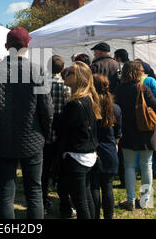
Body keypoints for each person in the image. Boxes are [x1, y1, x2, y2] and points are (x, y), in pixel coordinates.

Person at [0, 27, 53, 219]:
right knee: (34, 191)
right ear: (27, 46)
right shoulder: (37, 70)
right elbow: (46, 109)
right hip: (32, 137)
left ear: (6, 46)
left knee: (6, 191)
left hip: (4, 137)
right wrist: (46, 132)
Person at [115, 61, 156, 211]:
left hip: (126, 132)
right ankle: (145, 200)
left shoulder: (119, 89)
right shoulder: (143, 88)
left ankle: (130, 201)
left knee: (129, 166)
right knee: (146, 165)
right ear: (138, 73)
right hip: (146, 132)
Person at [59, 61, 101, 219]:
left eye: (70, 72)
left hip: (77, 155)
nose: (66, 75)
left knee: (80, 201)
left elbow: (64, 127)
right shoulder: (88, 98)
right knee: (86, 196)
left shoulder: (75, 103)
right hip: (88, 154)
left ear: (79, 78)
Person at [44, 55, 73, 218]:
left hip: (45, 134)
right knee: (62, 173)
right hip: (62, 135)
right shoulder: (66, 87)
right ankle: (64, 205)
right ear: (63, 69)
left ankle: (43, 202)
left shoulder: (41, 85)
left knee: (43, 171)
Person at [90, 74, 122, 219]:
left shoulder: (89, 107)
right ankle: (109, 216)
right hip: (109, 149)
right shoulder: (115, 108)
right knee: (107, 186)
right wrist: (115, 144)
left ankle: (95, 215)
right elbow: (118, 133)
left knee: (94, 187)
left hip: (93, 150)